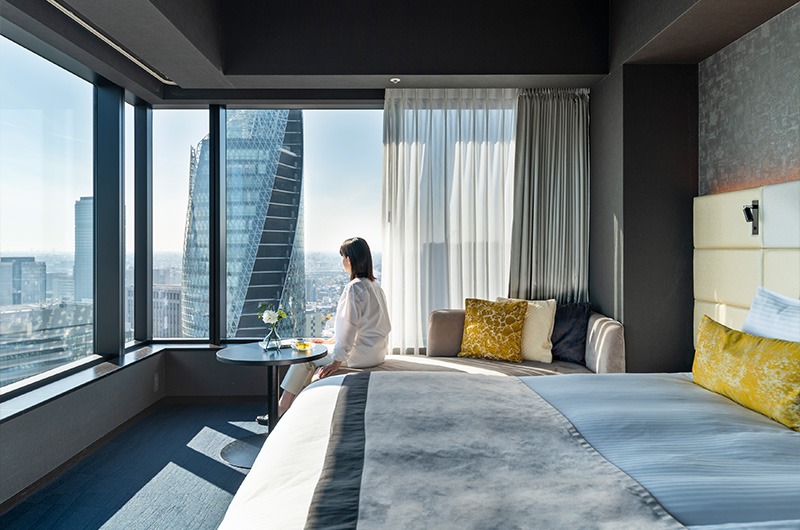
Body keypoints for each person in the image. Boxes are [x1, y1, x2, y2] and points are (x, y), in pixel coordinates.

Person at [277, 237, 391, 417]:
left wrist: (337, 361)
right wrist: (330, 341)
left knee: (305, 356)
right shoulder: (375, 286)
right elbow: (368, 325)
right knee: (316, 354)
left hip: (360, 356)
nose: (341, 261)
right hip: (376, 353)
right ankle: (295, 408)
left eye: (342, 256)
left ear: (349, 260)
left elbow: (350, 327)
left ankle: (282, 408)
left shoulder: (354, 288)